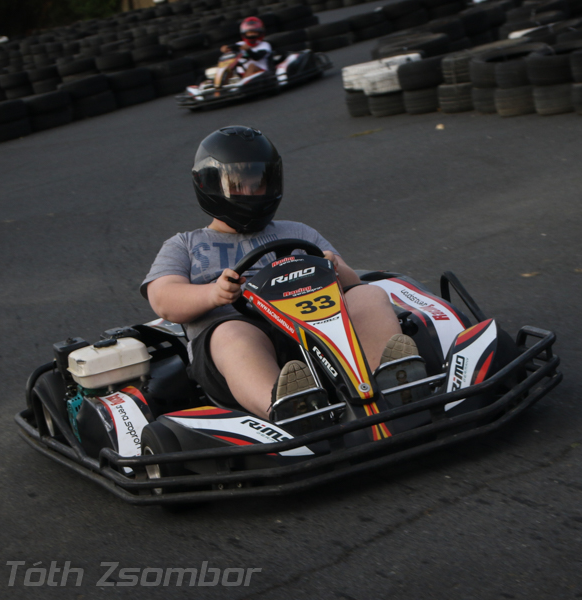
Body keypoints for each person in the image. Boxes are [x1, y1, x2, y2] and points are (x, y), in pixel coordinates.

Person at [141, 126, 419, 423]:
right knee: (232, 334)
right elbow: (163, 298)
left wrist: (332, 267)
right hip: (238, 338)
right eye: (239, 184)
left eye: (258, 183)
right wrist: (213, 293)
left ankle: (390, 379)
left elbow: (352, 282)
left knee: (367, 294)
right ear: (208, 184)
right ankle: (288, 409)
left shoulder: (297, 231)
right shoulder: (185, 244)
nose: (250, 192)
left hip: (315, 334)